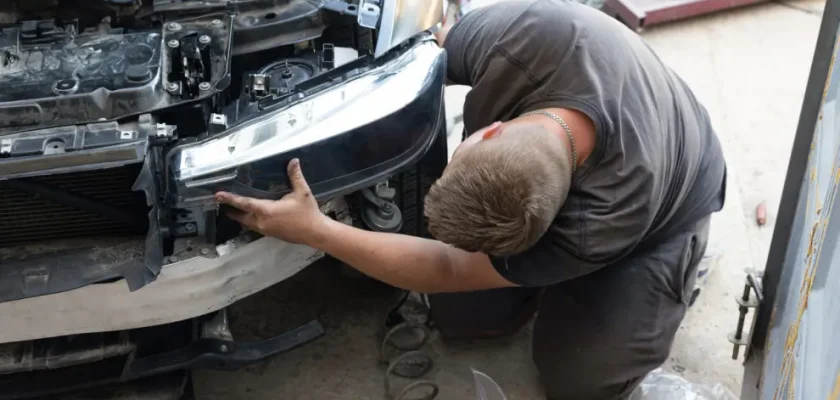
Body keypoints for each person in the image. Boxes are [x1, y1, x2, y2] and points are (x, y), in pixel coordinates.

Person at [214, 0, 727, 398]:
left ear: (489, 130)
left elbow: (452, 269)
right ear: (490, 132)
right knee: (463, 319)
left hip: (667, 214)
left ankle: (664, 283)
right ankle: (539, 283)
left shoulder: (606, 217)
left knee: (580, 381)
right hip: (615, 108)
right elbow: (419, 52)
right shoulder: (527, 34)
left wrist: (315, 230)